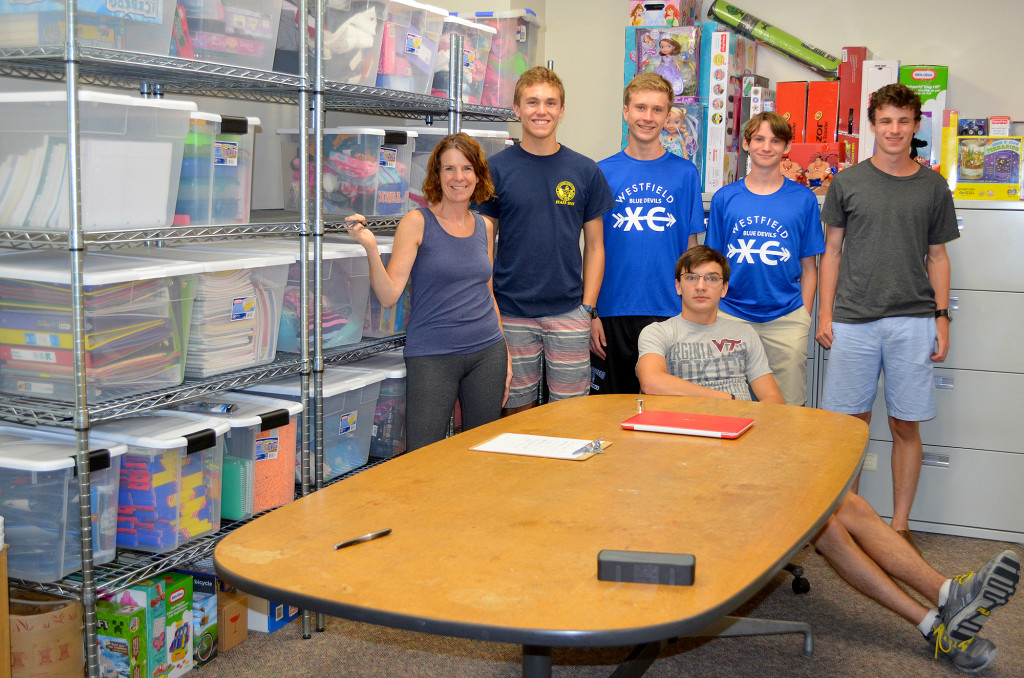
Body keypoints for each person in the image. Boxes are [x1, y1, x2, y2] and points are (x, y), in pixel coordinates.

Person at [638, 246, 1020, 673]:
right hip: (691, 468)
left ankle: (939, 615)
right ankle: (945, 601)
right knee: (831, 522)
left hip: (746, 458)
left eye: (712, 278)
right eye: (693, 277)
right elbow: (653, 382)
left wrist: (778, 449)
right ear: (678, 285)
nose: (702, 285)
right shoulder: (659, 333)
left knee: (842, 507)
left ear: (725, 287)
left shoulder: (743, 333)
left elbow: (773, 405)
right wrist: (726, 400)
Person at [816, 83, 959, 549]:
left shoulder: (933, 186)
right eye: (885, 121)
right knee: (848, 429)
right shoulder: (848, 182)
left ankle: (899, 526)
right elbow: (831, 253)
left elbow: (937, 257)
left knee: (905, 423)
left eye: (903, 121)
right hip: (854, 319)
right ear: (872, 126)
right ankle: (849, 524)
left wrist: (942, 318)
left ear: (915, 126)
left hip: (912, 321)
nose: (894, 130)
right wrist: (825, 314)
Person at [346, 133, 510, 451]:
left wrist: (506, 355)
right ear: (436, 175)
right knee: (423, 455)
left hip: (488, 352)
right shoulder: (417, 222)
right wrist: (368, 245)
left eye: (466, 168)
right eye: (449, 169)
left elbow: (487, 292)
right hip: (433, 356)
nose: (458, 177)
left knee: (486, 452)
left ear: (478, 175)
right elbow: (389, 294)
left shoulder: (485, 227)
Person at [475, 66, 614, 414]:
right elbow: (483, 246)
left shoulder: (584, 171)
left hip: (568, 311)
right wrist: (490, 304)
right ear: (517, 108)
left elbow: (596, 246)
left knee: (570, 415)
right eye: (532, 102)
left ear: (562, 110)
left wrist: (588, 309)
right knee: (516, 410)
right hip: (510, 312)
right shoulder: (496, 170)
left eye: (551, 103)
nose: (542, 110)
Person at [592, 73, 704, 395]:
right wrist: (592, 313)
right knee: (609, 411)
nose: (648, 117)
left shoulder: (685, 173)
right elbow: (593, 247)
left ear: (669, 116)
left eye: (657, 110)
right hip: (612, 311)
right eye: (640, 107)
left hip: (668, 312)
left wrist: (692, 313)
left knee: (664, 415)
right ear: (625, 111)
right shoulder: (601, 172)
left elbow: (690, 250)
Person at [705, 112, 825, 406]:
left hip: (786, 318)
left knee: (787, 409)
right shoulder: (725, 198)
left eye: (775, 140)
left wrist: (803, 317)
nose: (766, 147)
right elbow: (713, 264)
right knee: (728, 405)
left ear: (786, 148)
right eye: (759, 139)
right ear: (746, 144)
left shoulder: (803, 199)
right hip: (730, 314)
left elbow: (810, 267)